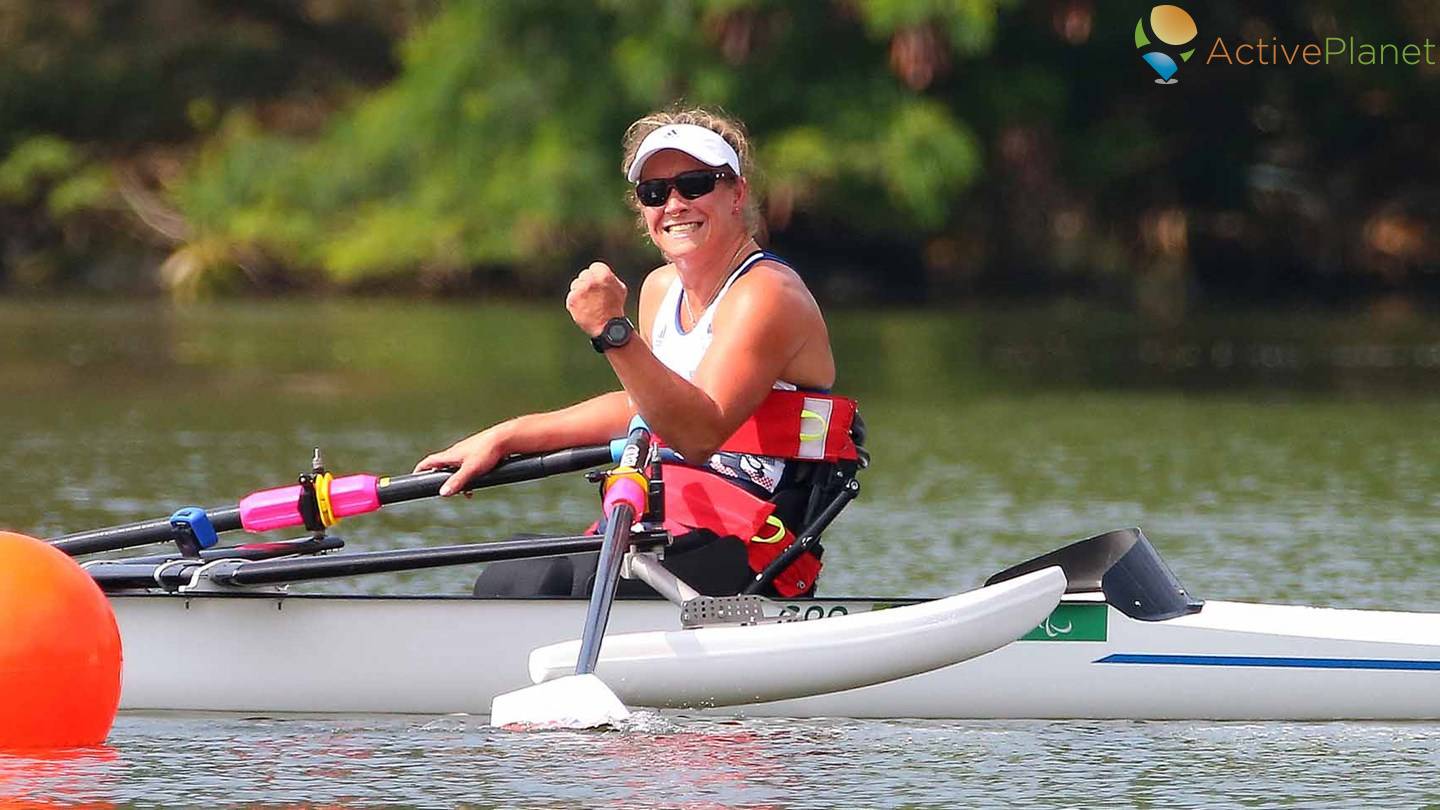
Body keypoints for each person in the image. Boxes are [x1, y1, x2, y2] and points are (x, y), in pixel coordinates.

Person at [415, 107, 858, 598]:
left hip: (749, 545)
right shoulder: (660, 288)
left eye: (694, 185)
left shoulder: (766, 294)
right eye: (654, 192)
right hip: (668, 515)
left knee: (533, 582)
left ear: (738, 194)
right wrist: (508, 436)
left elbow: (696, 432)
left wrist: (612, 332)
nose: (673, 205)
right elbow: (648, 405)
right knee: (514, 566)